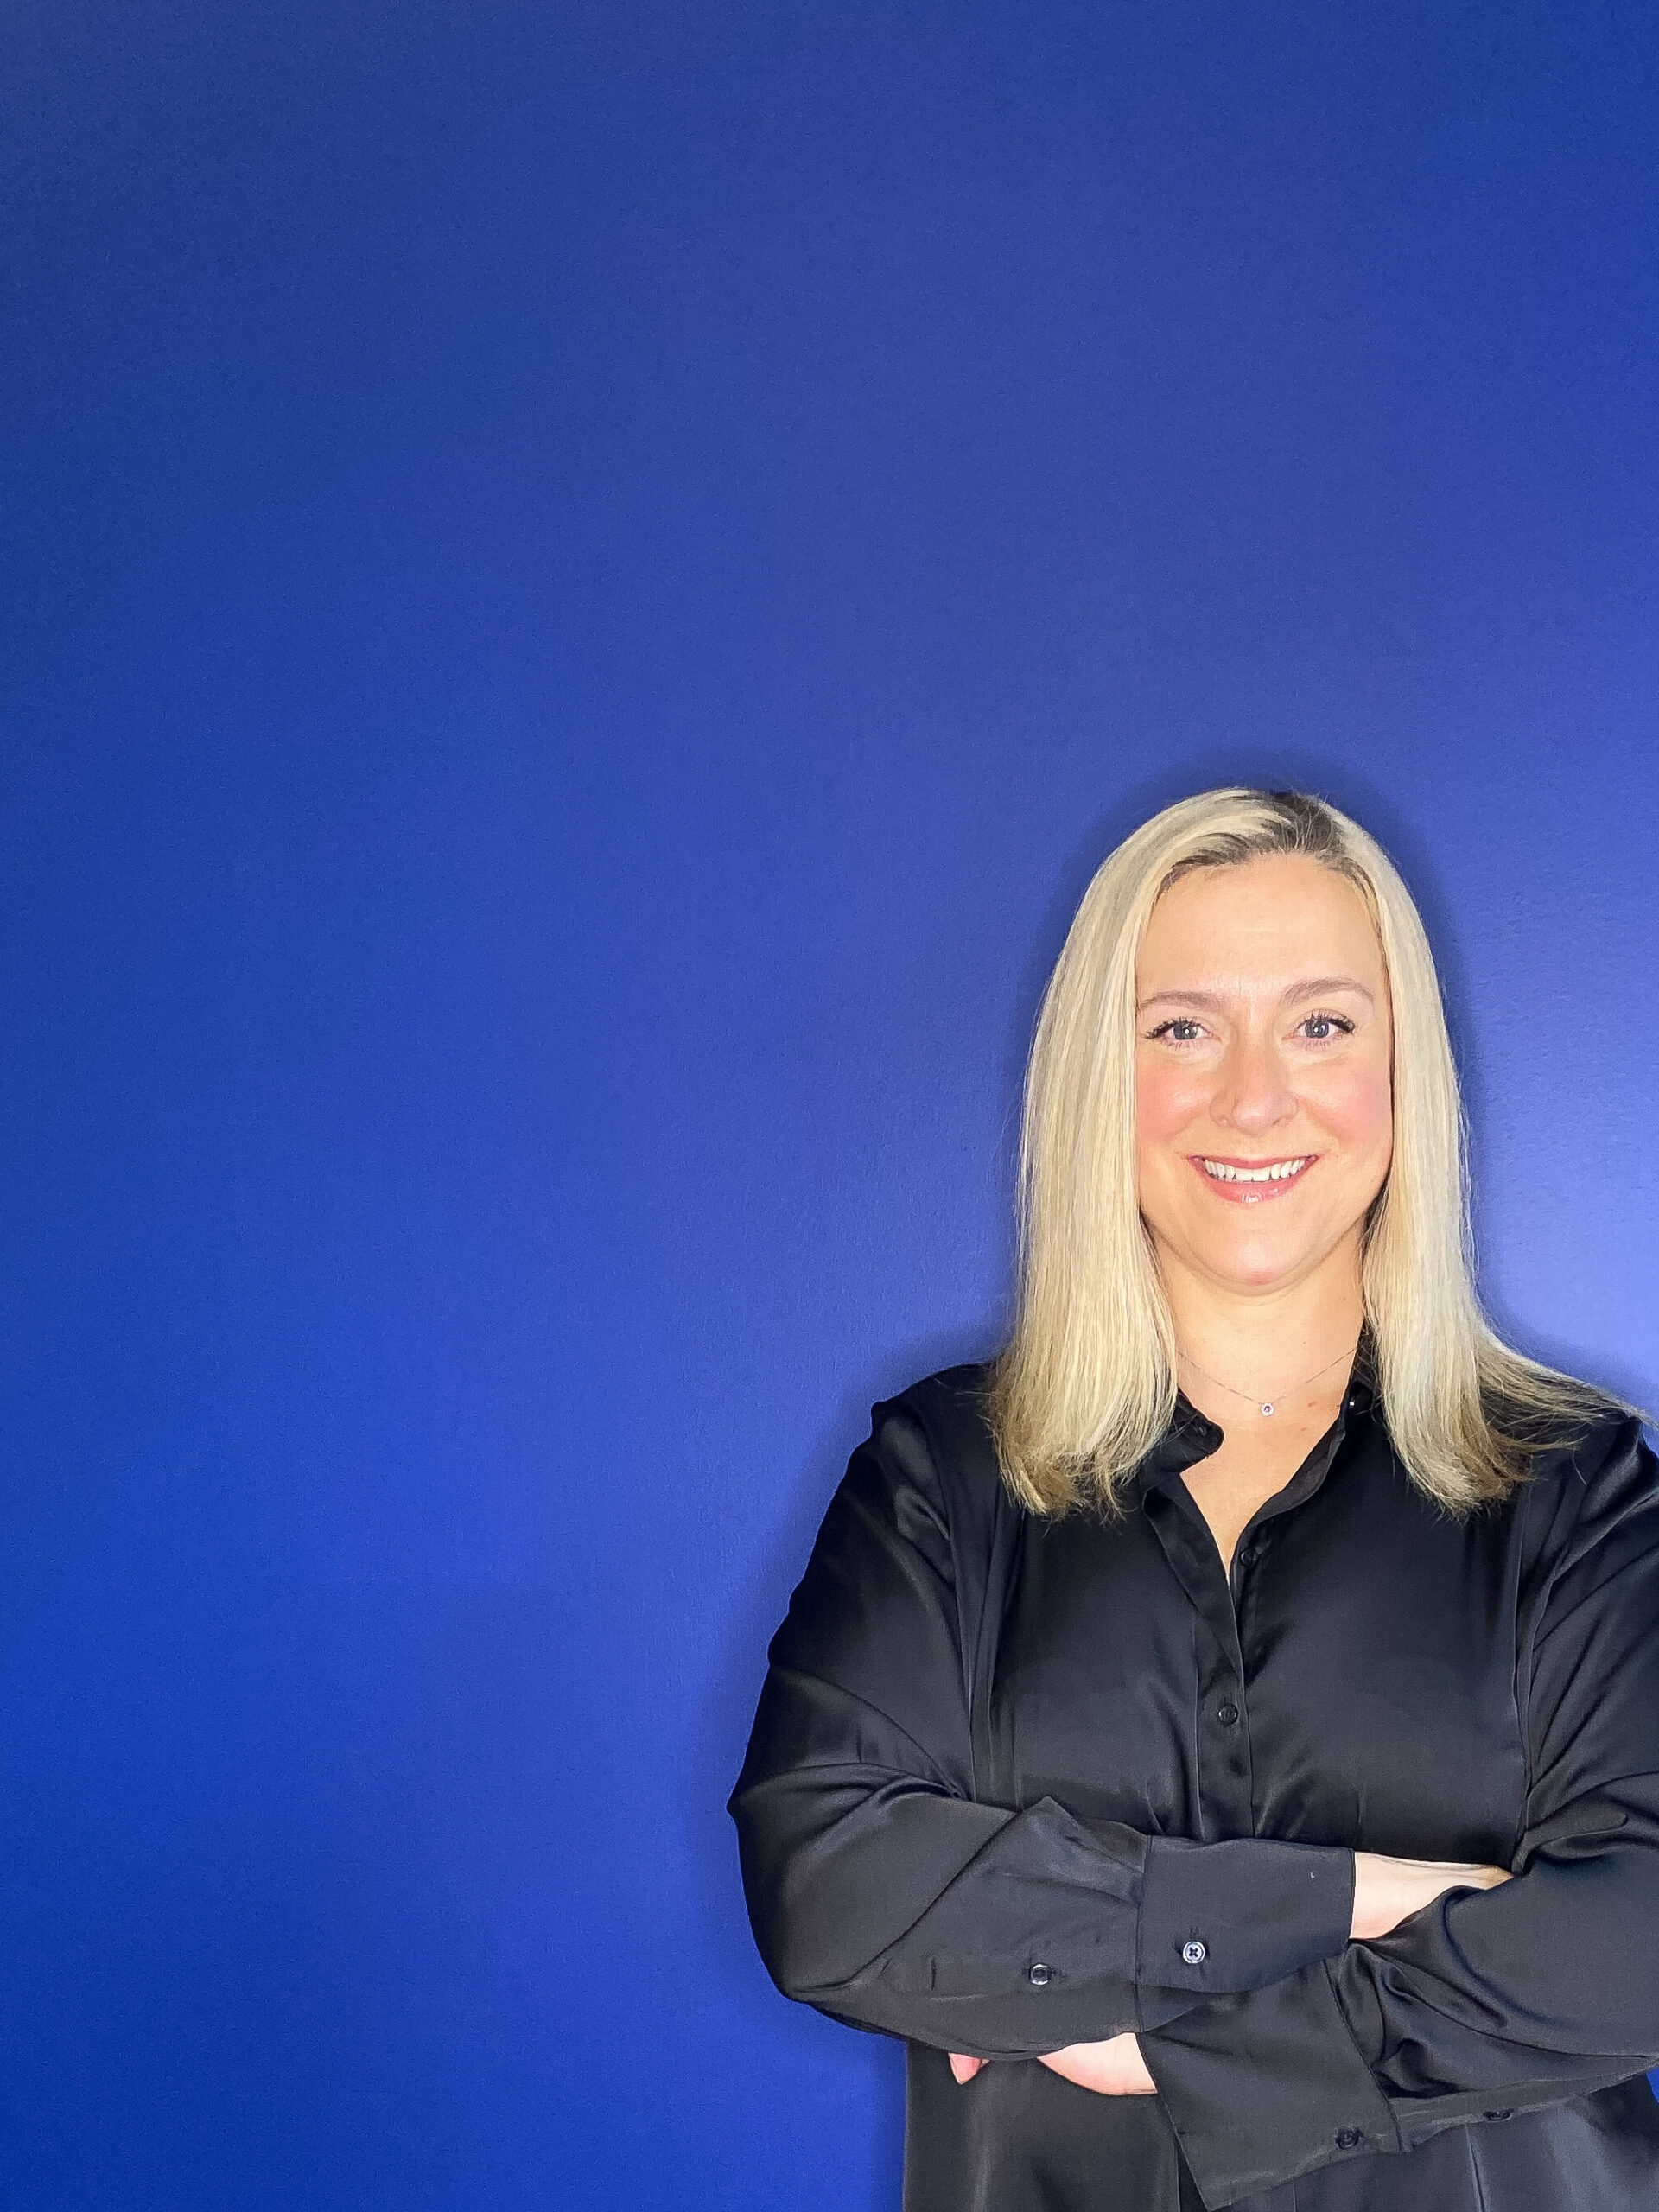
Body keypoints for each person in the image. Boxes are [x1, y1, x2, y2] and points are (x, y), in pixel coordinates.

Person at [727, 786, 1659, 2211]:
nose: (1253, 1098)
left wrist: (1186, 2049)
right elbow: (829, 1883)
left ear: (1404, 1069)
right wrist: (1356, 1899)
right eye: (1182, 1028)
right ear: (1101, 1076)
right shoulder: (940, 1477)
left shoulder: (1579, 1489)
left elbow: (1640, 1932)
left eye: (1321, 1024)